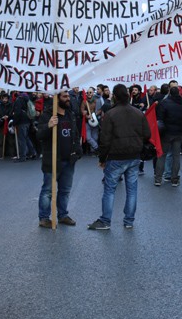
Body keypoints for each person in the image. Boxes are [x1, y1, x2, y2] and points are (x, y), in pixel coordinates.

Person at [88, 84, 150, 230]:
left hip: (115, 157)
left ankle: (105, 221)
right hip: (134, 156)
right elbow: (147, 134)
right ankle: (129, 221)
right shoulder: (138, 113)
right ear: (128, 95)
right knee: (132, 189)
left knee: (109, 189)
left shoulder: (110, 114)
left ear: (114, 96)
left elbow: (104, 140)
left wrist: (102, 159)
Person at [37, 91, 82, 228]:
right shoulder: (47, 115)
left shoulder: (71, 114)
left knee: (65, 190)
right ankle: (44, 218)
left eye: (68, 96)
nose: (68, 99)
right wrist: (48, 126)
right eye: (65, 96)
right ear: (57, 99)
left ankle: (62, 215)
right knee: (48, 190)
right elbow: (39, 135)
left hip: (69, 160)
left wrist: (78, 151)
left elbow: (75, 134)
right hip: (53, 159)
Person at [154, 86, 182, 187]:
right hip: (179, 133)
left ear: (169, 93)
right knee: (176, 156)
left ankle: (158, 179)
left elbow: (160, 118)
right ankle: (174, 179)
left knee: (162, 155)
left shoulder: (164, 103)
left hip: (166, 133)